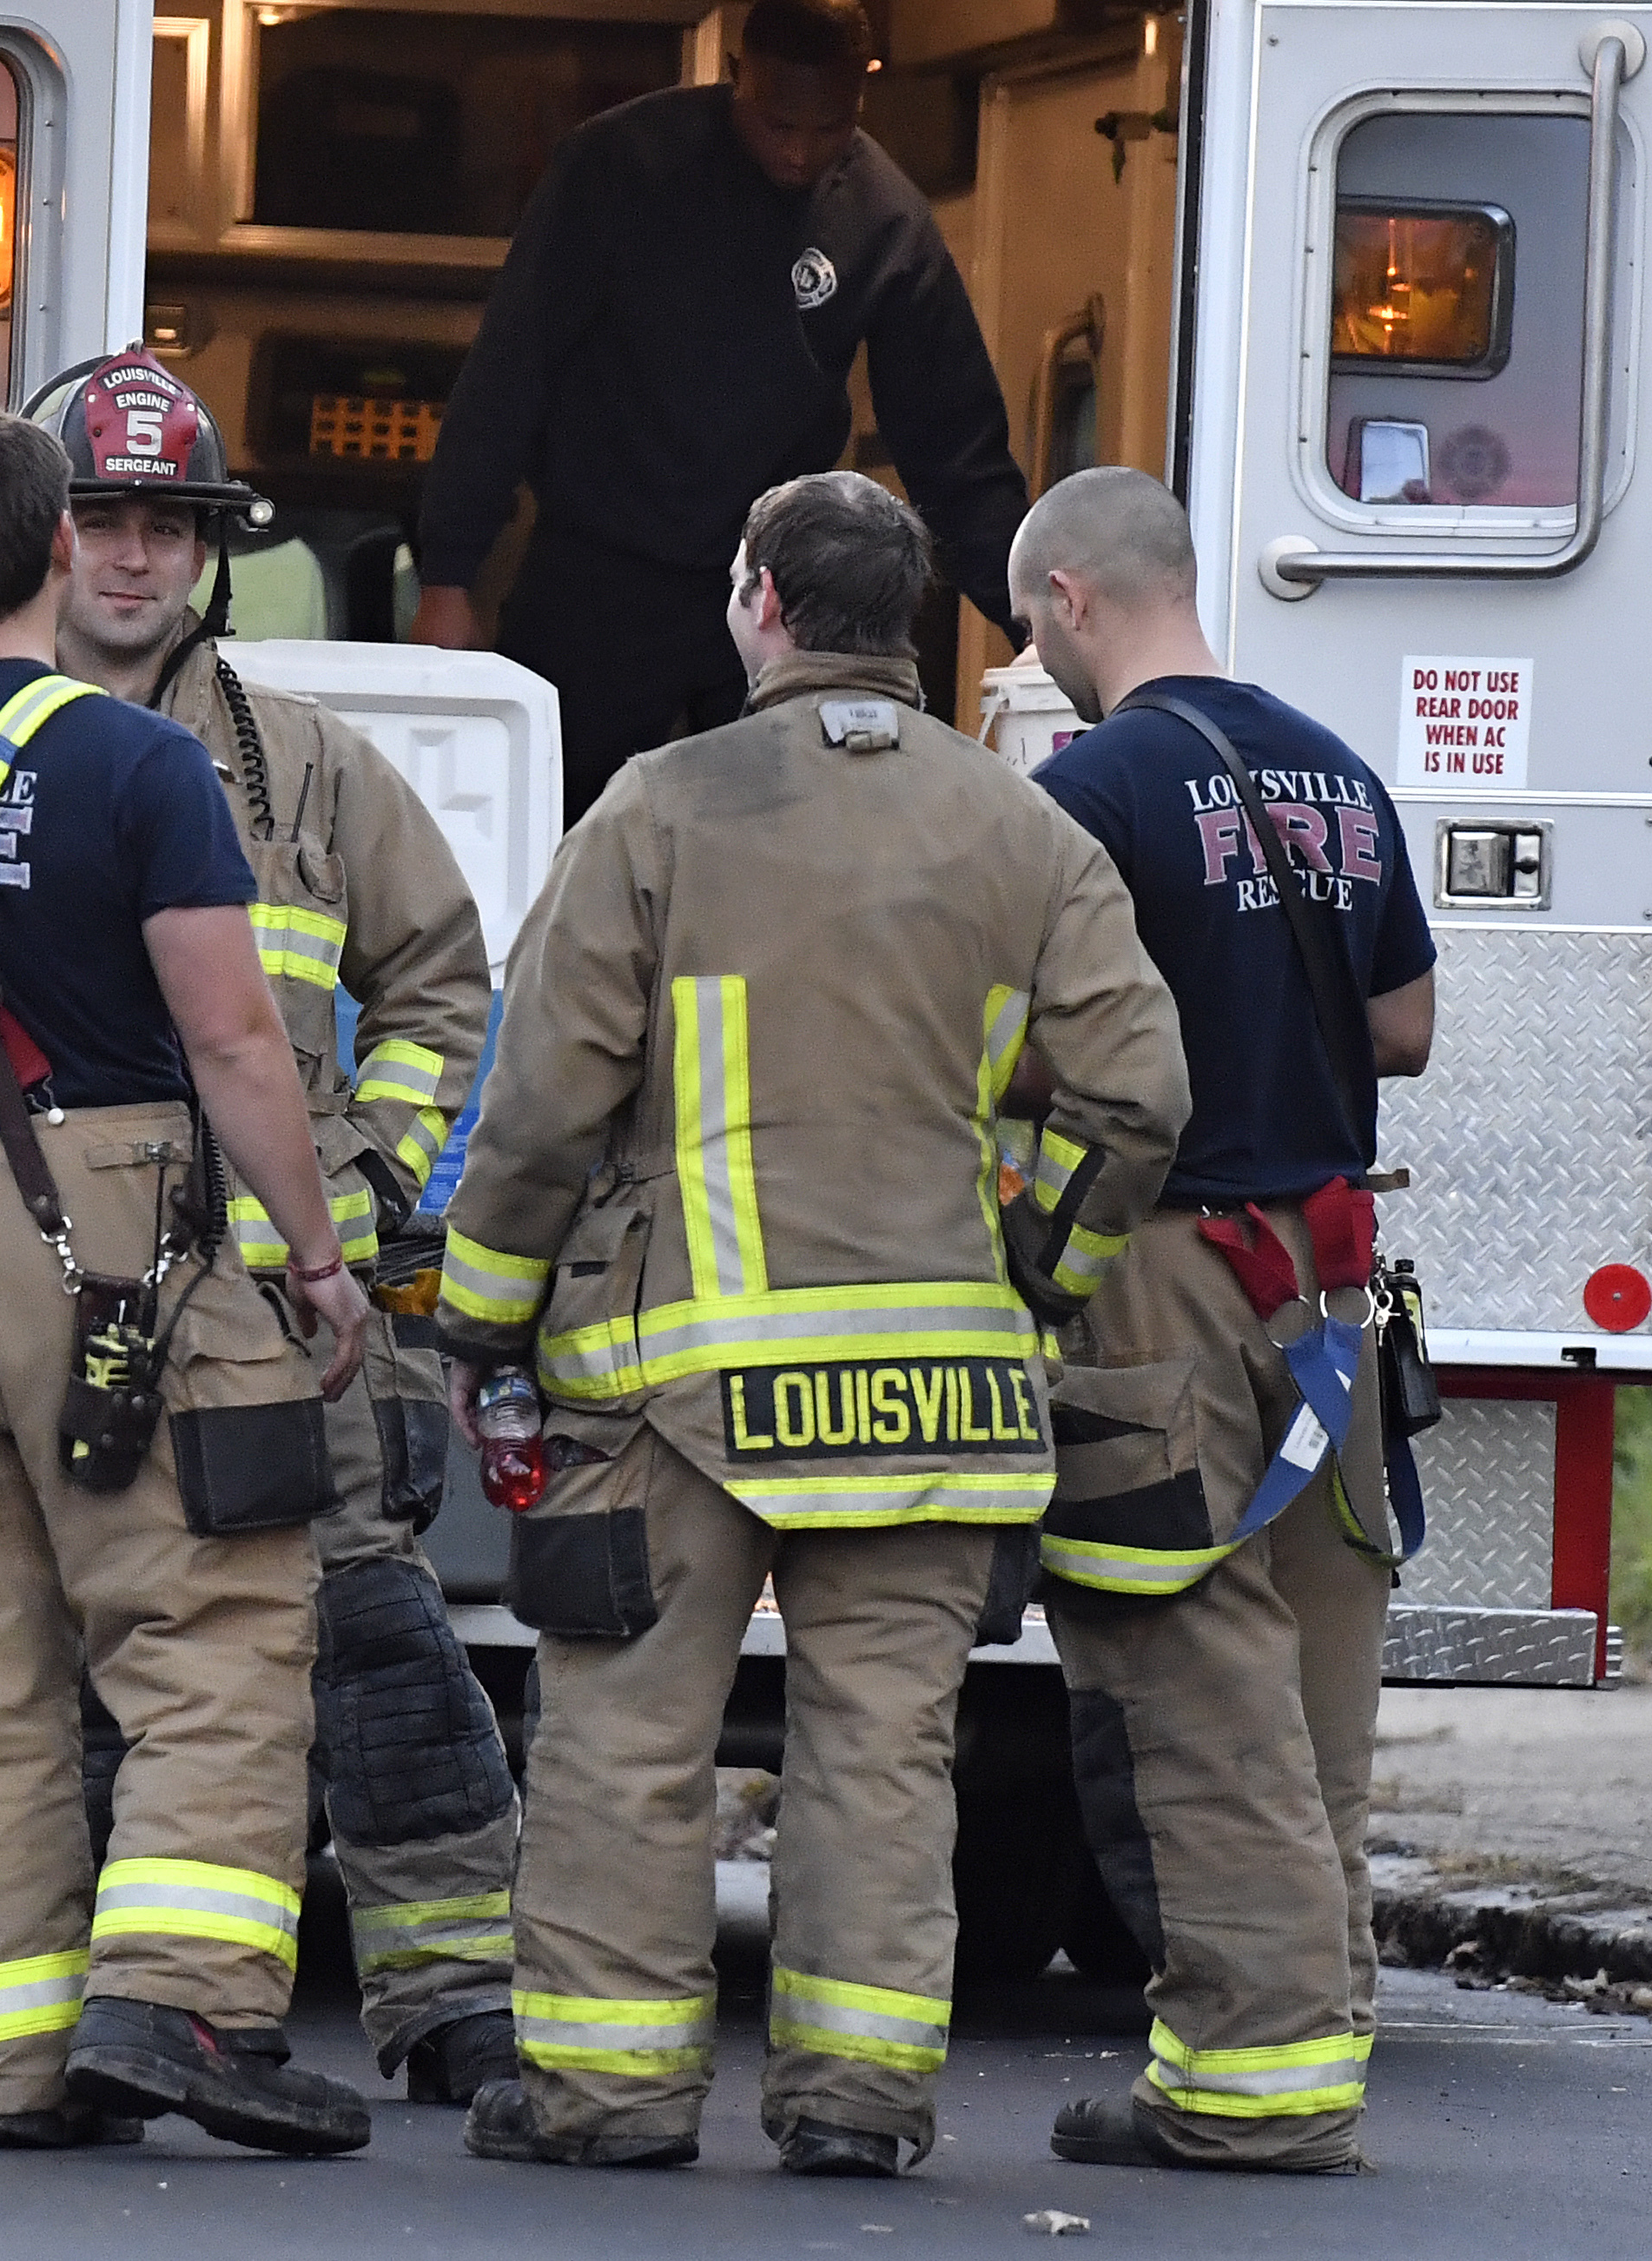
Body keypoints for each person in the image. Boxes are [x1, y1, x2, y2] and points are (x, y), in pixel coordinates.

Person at [436, 470, 1186, 2178]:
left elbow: (543, 1106)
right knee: (875, 1755)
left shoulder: (654, 811)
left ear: (756, 600)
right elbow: (1136, 1092)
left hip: (676, 1388)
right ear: (908, 623)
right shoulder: (1025, 830)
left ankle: (608, 2096)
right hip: (934, 1397)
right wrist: (1034, 1269)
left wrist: (481, 1320)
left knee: (629, 1735)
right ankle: (854, 2103)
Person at [0, 400, 375, 2159]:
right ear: (44, 553)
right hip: (101, 1216)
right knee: (207, 1618)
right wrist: (311, 1258)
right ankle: (177, 2002)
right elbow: (235, 1039)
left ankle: (5, 2064)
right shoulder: (134, 761)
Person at [35, 351, 519, 2110]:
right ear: (43, 530)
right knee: (57, 1667)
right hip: (47, 1296)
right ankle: (87, 2013)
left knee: (378, 1650)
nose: (132, 557)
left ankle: (455, 1995)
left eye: (167, 523)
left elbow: (437, 986)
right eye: (99, 515)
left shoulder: (308, 775)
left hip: (279, 1291)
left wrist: (379, 1173)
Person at [1004, 466, 1437, 2175]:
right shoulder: (1332, 772)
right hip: (1329, 1287)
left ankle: (1241, 2073)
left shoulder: (1082, 791)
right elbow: (1398, 1027)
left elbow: (1032, 1049)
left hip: (1163, 1278)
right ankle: (1323, 2017)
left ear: (1062, 601)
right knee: (1320, 1679)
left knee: (1188, 1675)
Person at [409, 0, 1028, 822]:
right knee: (549, 821)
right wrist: (447, 574)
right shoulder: (616, 167)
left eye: (829, 128)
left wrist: (1029, 623)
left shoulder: (883, 221)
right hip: (595, 574)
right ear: (737, 71)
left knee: (765, 838)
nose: (799, 154)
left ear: (864, 87)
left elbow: (953, 447)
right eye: (777, 123)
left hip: (766, 588)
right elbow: (509, 370)